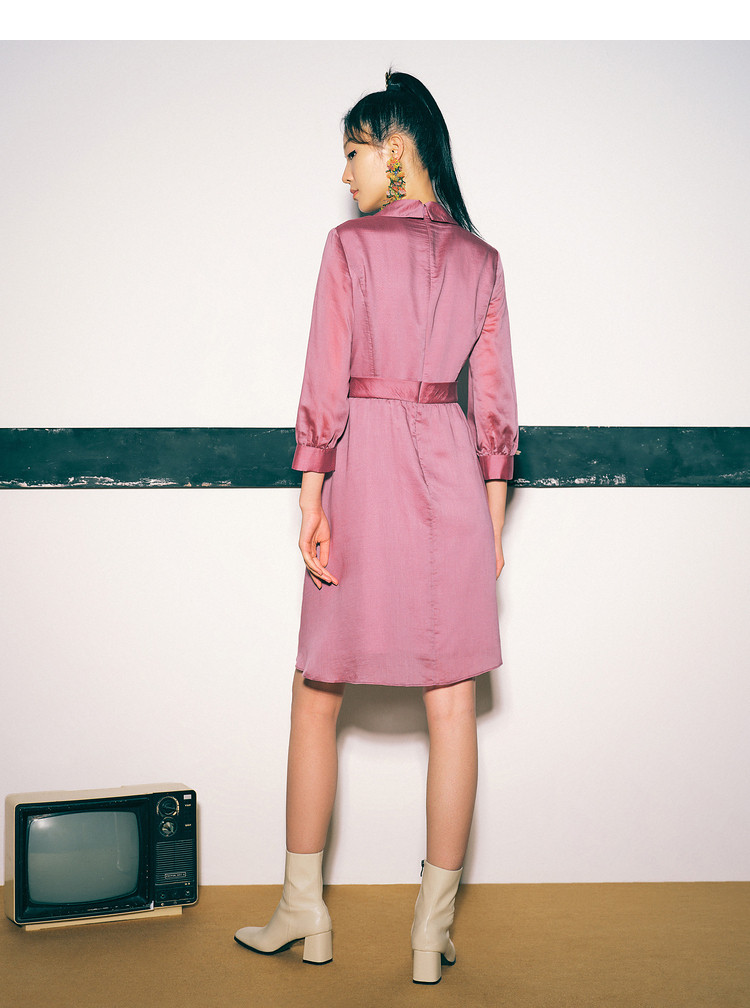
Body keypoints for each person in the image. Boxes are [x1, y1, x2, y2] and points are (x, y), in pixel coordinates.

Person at [234, 70, 518, 985]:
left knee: (317, 694)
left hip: (363, 478)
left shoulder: (348, 247)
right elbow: (496, 416)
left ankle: (302, 908)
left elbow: (325, 381)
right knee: (452, 707)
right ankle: (431, 932)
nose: (347, 172)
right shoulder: (481, 260)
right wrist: (492, 529)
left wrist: (310, 498)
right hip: (453, 490)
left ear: (395, 148)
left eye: (355, 151)